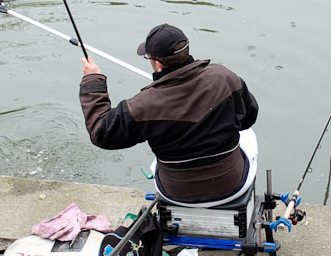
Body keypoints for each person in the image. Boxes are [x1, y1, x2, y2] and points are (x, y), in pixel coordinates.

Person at [80, 23, 259, 204]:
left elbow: (101, 133)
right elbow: (248, 118)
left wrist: (92, 79)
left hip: (177, 194)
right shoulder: (225, 78)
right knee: (247, 136)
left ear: (157, 64)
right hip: (232, 186)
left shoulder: (142, 104)